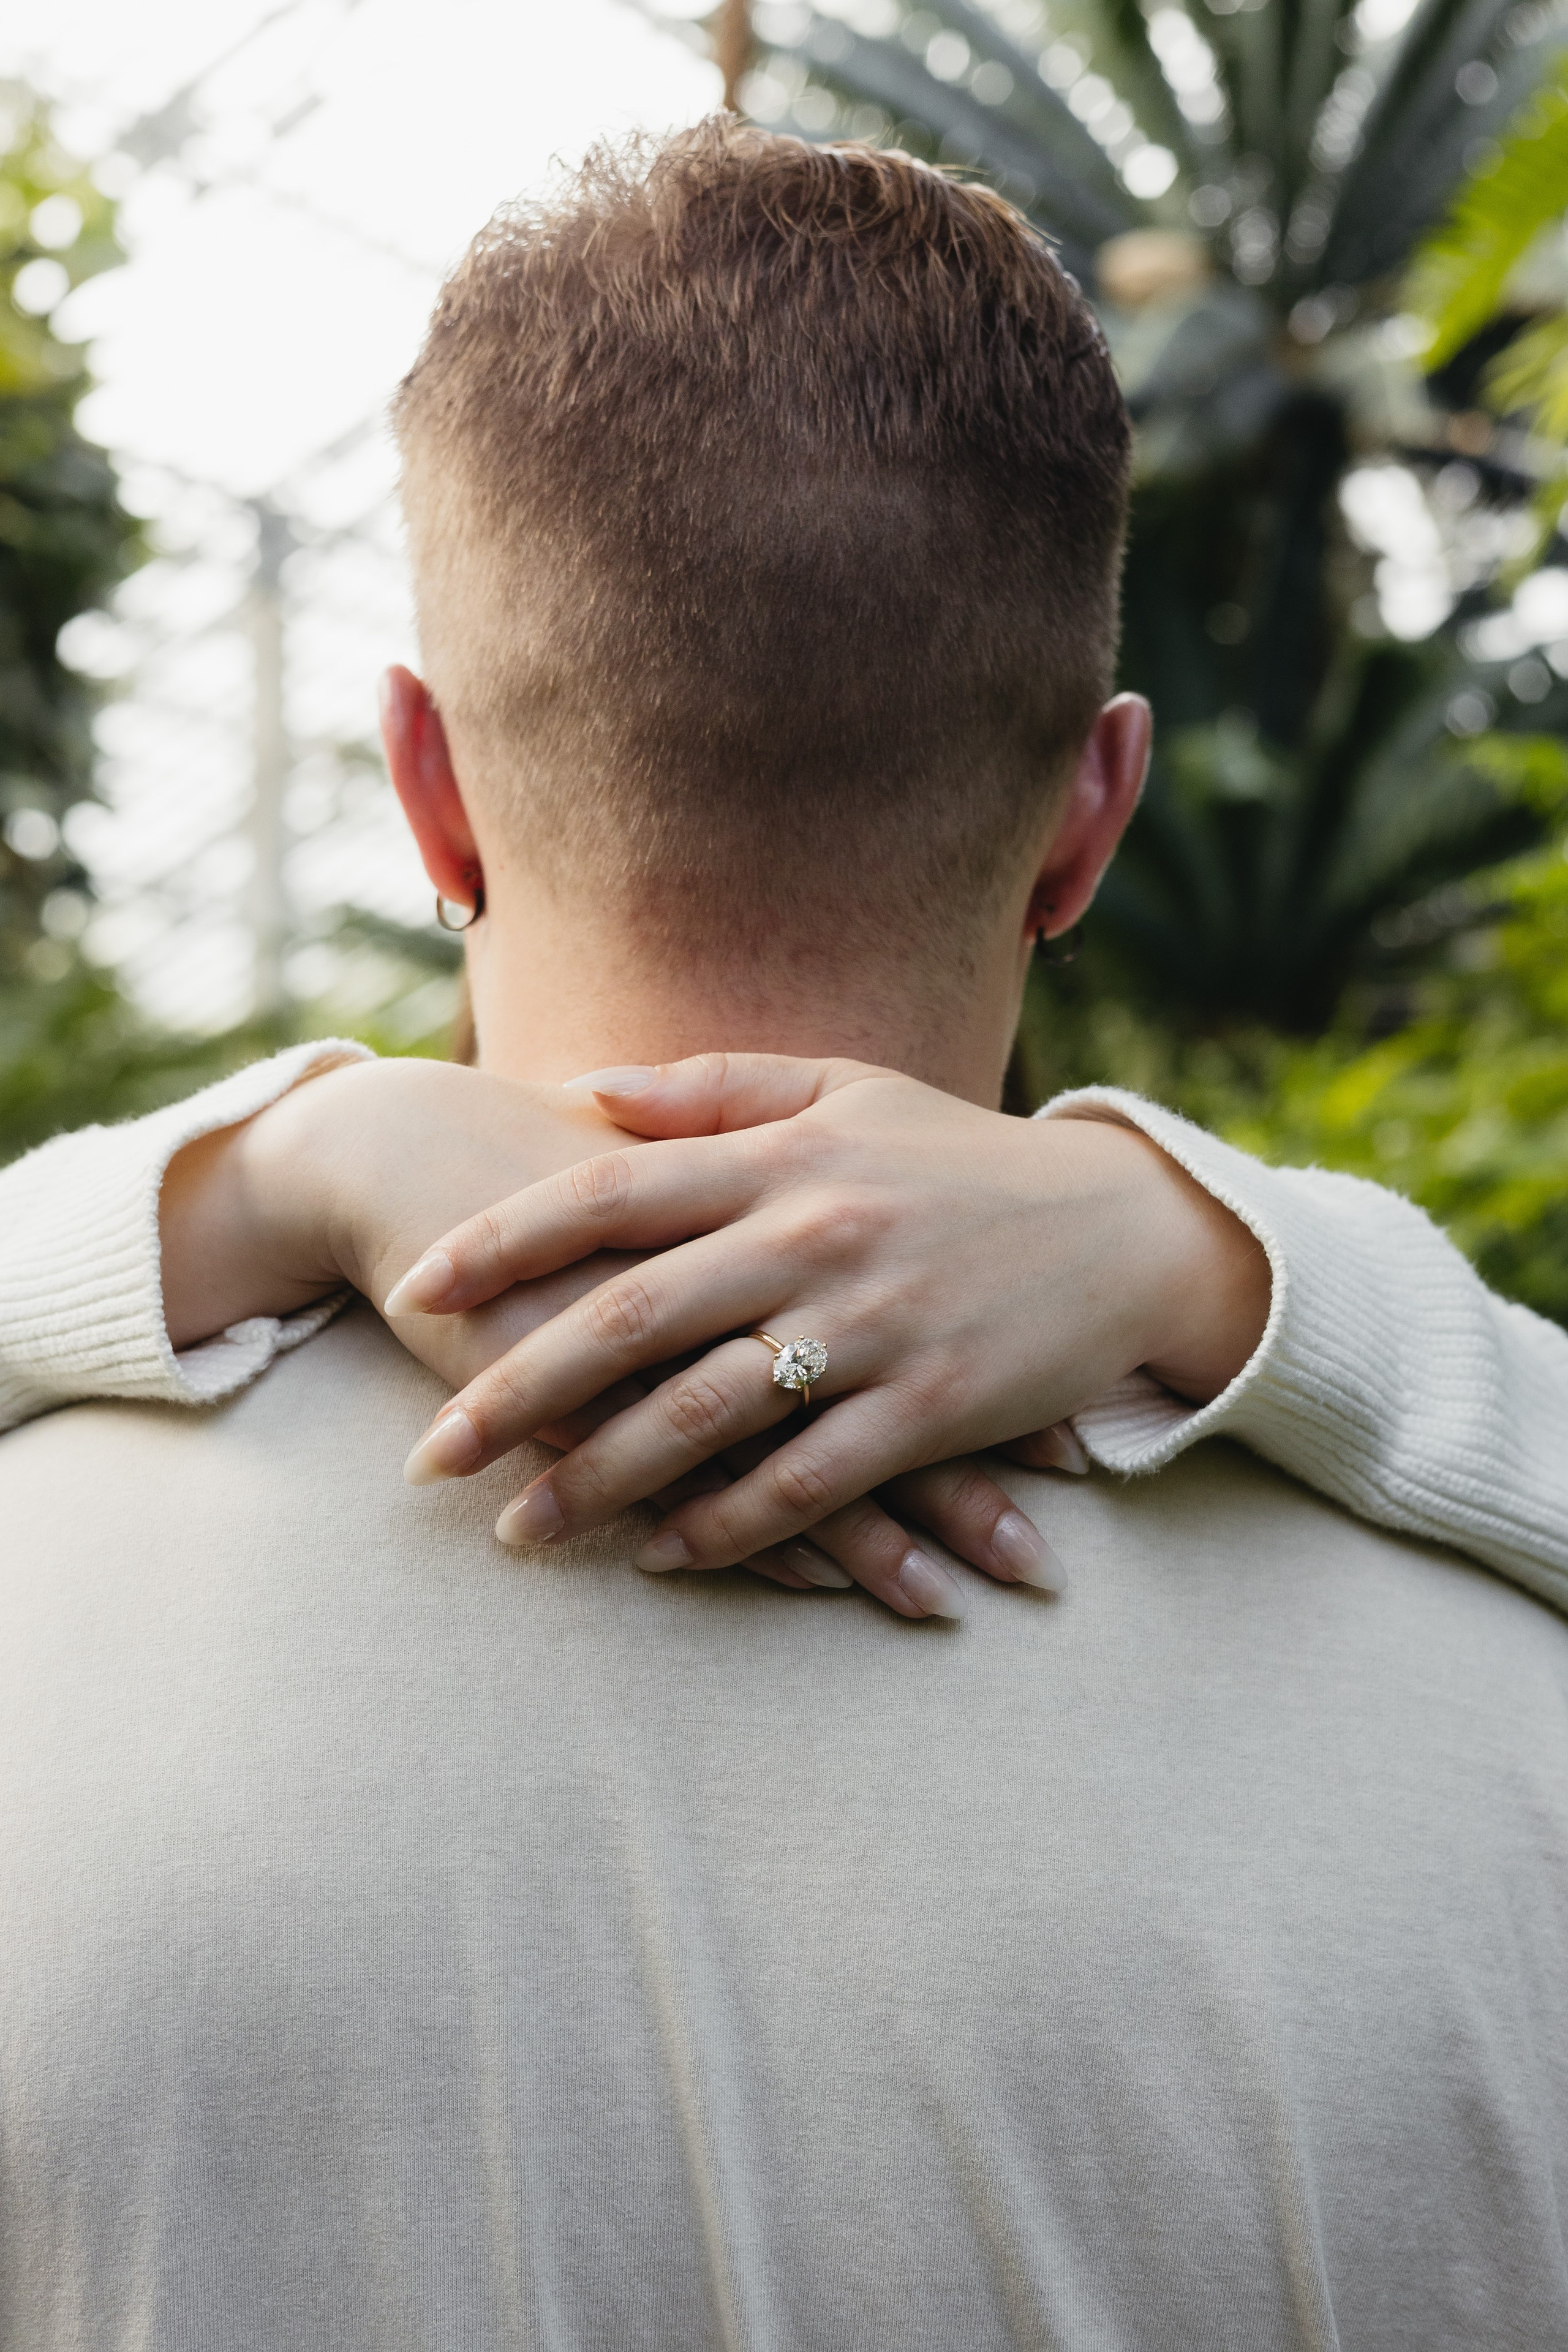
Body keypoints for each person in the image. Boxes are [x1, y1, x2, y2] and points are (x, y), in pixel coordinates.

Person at [2, 123, 1567, 2346]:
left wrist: (263, 1168)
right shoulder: (1511, 1711)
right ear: (1091, 814)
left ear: (426, 789)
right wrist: (1224, 1257)